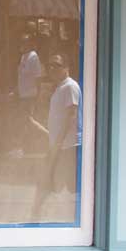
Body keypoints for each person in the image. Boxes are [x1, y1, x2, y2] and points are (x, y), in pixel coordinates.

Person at [44, 54, 82, 195]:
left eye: (56, 65)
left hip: (68, 144)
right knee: (60, 184)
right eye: (50, 66)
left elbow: (71, 115)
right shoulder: (61, 87)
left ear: (66, 67)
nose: (52, 69)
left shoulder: (70, 87)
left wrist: (59, 141)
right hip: (61, 143)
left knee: (71, 186)